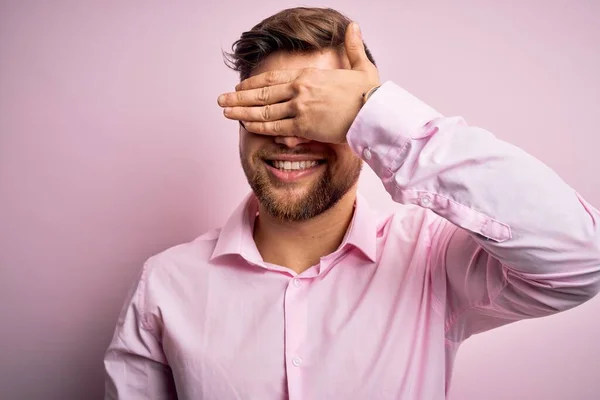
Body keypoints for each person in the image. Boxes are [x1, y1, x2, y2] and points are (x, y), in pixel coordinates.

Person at [103, 7, 600, 400]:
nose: (293, 140)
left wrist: (382, 114)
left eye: (319, 115)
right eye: (274, 112)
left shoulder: (432, 261)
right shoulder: (166, 285)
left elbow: (580, 257)